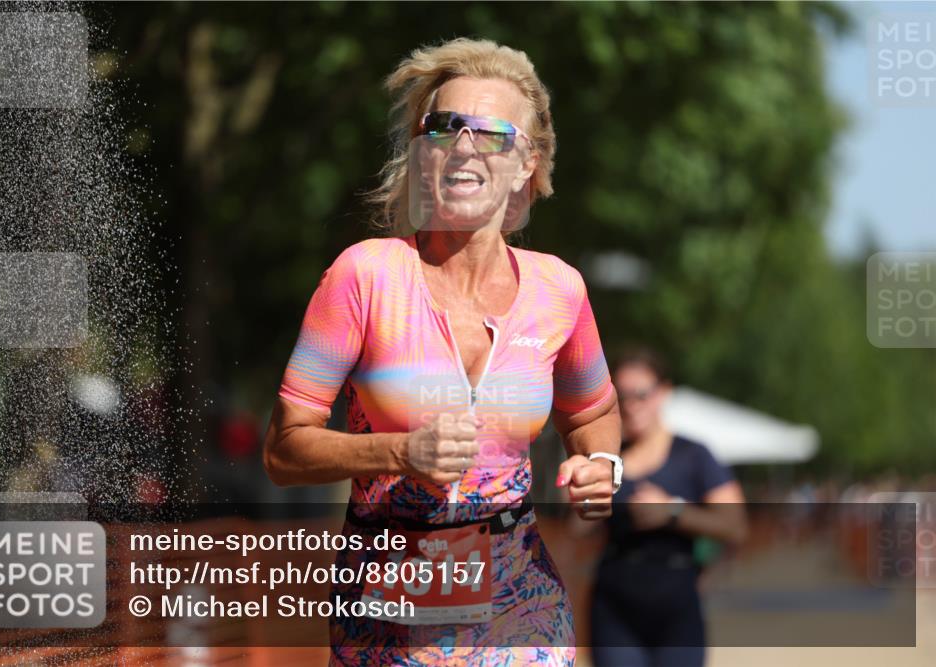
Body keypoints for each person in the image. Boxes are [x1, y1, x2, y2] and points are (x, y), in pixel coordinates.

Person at [264, 38, 622, 666]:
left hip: (522, 604)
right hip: (386, 609)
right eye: (444, 127)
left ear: (526, 165)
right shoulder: (364, 277)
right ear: (422, 153)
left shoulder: (559, 290)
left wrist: (602, 467)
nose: (462, 146)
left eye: (490, 134)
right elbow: (283, 450)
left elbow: (592, 414)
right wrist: (399, 452)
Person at [589, 348, 747, 667]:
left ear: (664, 392)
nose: (632, 406)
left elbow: (736, 525)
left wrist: (673, 512)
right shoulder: (605, 458)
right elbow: (575, 528)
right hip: (615, 605)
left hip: (678, 604)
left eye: (641, 395)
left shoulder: (694, 455)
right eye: (622, 397)